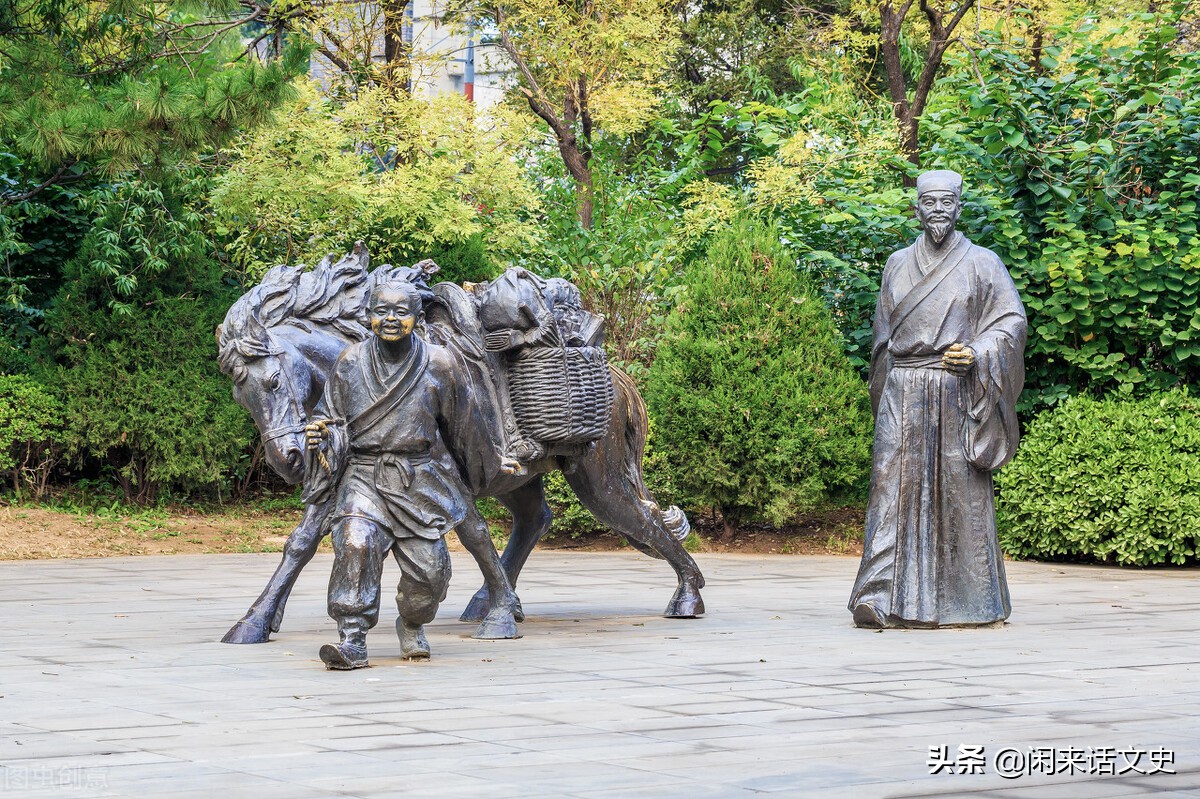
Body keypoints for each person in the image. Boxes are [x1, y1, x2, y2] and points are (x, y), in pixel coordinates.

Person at [303, 276, 517, 669]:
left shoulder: (440, 363)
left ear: (418, 318)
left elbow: (466, 426)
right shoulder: (350, 362)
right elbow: (330, 417)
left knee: (430, 574)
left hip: (420, 478)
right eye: (381, 311)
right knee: (355, 543)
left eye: (400, 312)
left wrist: (492, 461)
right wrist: (322, 432)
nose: (389, 319)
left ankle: (412, 622)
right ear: (368, 316)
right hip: (364, 475)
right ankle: (352, 638)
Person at [848, 169, 1027, 629]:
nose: (938, 210)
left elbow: (1011, 323)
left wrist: (978, 352)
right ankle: (877, 595)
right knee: (888, 486)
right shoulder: (896, 264)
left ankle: (970, 599)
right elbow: (881, 339)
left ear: (959, 207)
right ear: (917, 208)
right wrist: (883, 390)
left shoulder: (983, 263)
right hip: (902, 389)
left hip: (954, 389)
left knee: (958, 493)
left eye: (947, 201)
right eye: (929, 202)